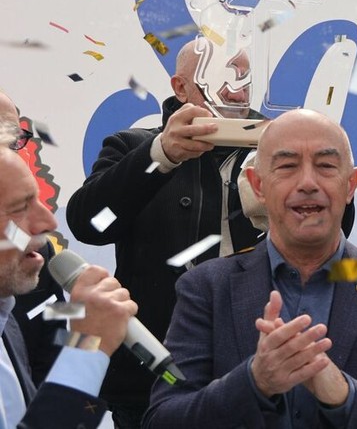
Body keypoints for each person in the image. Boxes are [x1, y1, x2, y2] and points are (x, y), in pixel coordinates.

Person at [144, 109, 357, 427]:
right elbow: (162, 418)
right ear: (258, 186)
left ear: (351, 185)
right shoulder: (206, 288)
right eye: (287, 166)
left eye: (325, 165)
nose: (307, 183)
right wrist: (254, 381)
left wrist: (344, 396)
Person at [64, 38, 265, 427]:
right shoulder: (133, 146)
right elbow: (90, 224)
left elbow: (329, 240)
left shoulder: (275, 153)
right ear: (180, 87)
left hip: (252, 372)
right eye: (220, 76)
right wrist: (161, 157)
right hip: (151, 382)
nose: (234, 90)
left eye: (243, 78)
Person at [0, 143, 138, 429]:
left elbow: (51, 345)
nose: (49, 222)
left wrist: (88, 339)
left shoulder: (6, 313)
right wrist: (88, 353)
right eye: (19, 208)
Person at [1, 91, 67, 385]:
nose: (48, 224)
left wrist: (92, 343)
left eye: (13, 141)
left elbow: (53, 354)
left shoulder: (36, 254)